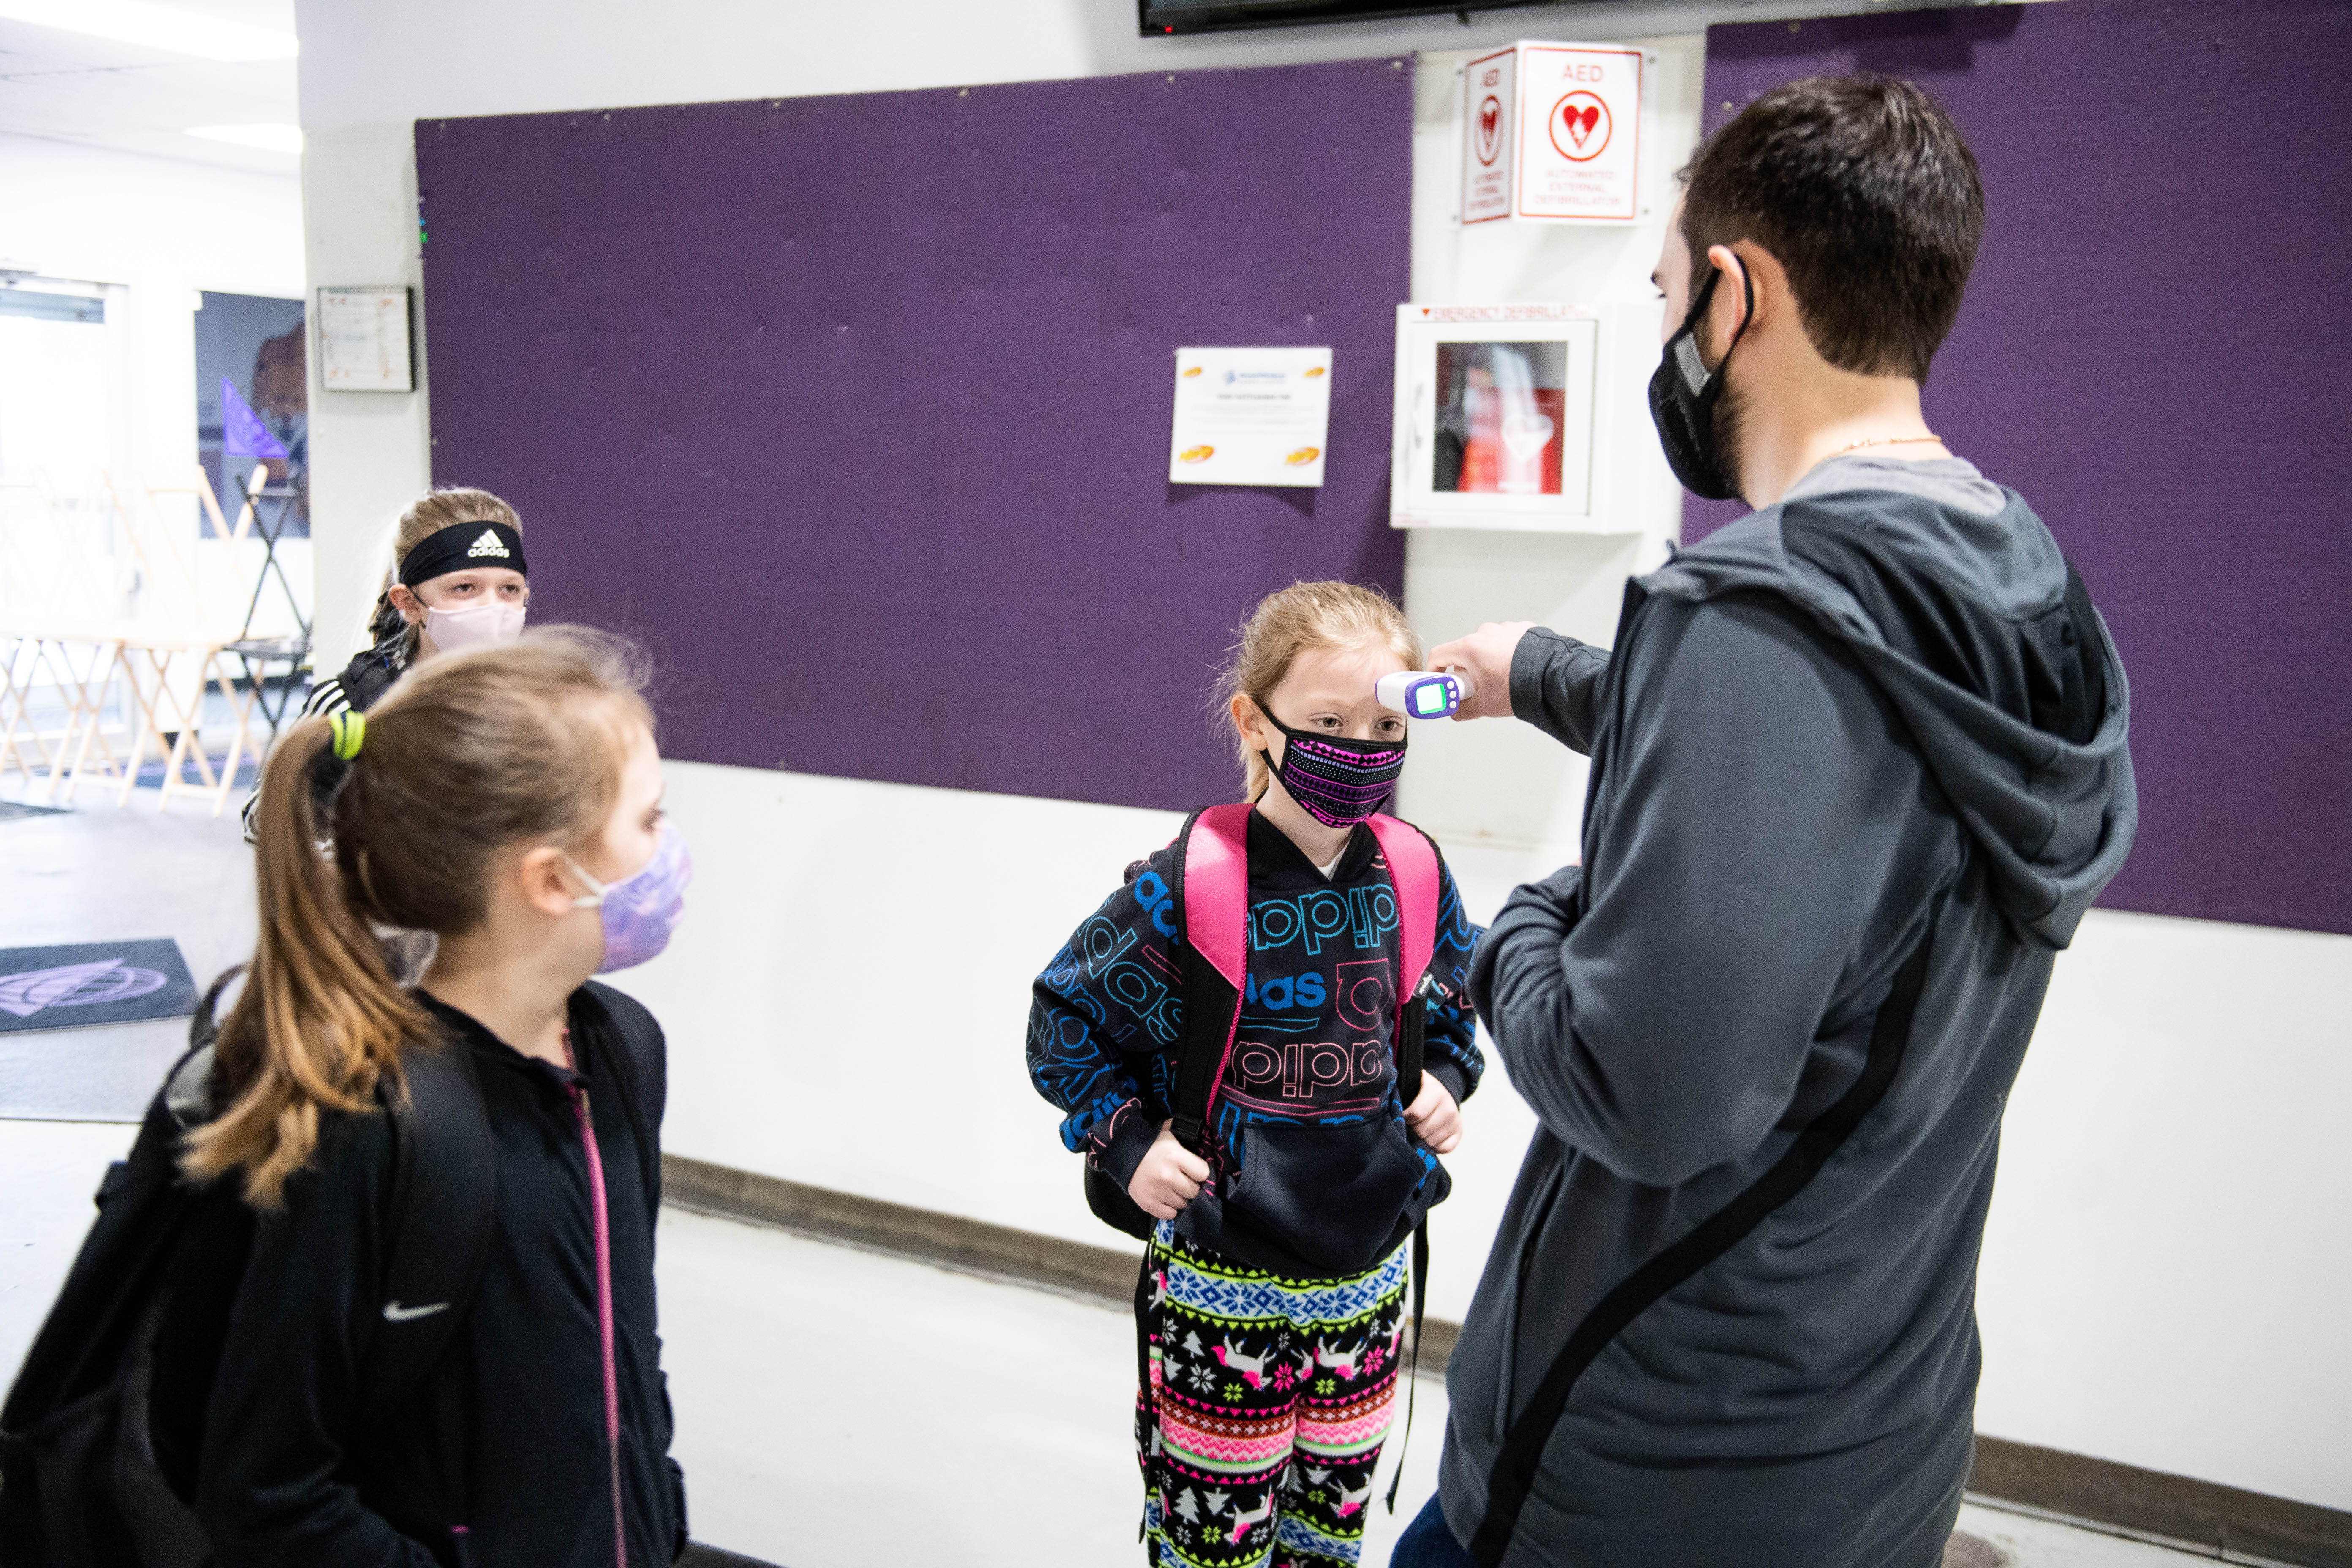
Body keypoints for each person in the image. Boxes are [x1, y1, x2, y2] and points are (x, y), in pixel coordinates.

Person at [1390, 77, 2137, 1568]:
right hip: (1863, 1433)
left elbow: (1639, 1091)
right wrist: (1533, 671)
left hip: (1645, 1466)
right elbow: (1840, 779)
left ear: (1736, 295)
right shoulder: (2006, 579)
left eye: (1668, 292)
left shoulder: (1752, 614)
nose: (1669, 335)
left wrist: (1512, 924)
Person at [182, 628, 697, 1566]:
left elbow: (628, 1359)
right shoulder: (369, 1118)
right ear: (551, 878)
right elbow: (268, 1491)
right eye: (650, 821)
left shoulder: (625, 1051)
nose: (671, 851)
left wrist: (657, 1519)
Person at [1026, 581, 1484, 1568]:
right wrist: (1125, 1140)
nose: (1359, 746)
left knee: (1326, 1540)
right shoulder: (1188, 881)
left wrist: (1445, 1074)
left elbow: (1452, 1005)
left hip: (1367, 1285)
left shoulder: (1410, 870)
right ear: (1256, 721)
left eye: (1381, 721)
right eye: (1327, 721)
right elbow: (1065, 1020)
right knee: (1214, 1549)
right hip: (1222, 1283)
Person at [241, 485, 531, 841]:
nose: (492, 607)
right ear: (409, 603)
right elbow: (261, 821)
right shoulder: (354, 706)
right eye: (464, 588)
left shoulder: (543, 704)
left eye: (509, 590)